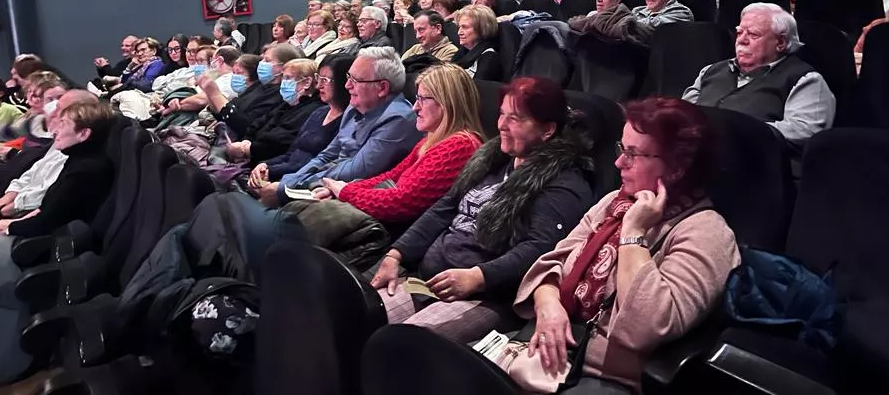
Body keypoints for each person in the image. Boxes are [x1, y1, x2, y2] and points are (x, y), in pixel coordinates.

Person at [515, 97, 740, 392]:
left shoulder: (707, 233)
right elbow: (552, 263)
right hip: (545, 346)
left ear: (676, 168)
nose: (619, 162)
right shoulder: (615, 201)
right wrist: (548, 307)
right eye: (622, 149)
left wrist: (633, 233)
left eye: (633, 154)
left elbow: (647, 326)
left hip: (602, 377)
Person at [369, 77, 594, 342]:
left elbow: (540, 248)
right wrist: (396, 255)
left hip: (487, 296)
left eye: (516, 119)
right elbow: (446, 206)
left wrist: (478, 277)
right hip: (428, 281)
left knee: (402, 342)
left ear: (547, 130)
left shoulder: (563, 183)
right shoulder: (493, 161)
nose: (501, 125)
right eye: (502, 114)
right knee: (361, 313)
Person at [317, 64, 484, 224]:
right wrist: (343, 188)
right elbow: (391, 176)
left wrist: (346, 192)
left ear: (448, 103)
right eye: (417, 98)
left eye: (423, 99)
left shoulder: (460, 146)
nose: (415, 108)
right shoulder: (431, 141)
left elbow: (402, 202)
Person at [683, 3, 835, 150]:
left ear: (780, 42)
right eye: (739, 32)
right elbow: (681, 115)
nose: (741, 40)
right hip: (697, 163)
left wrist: (731, 132)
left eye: (753, 34)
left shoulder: (805, 80)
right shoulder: (710, 71)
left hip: (757, 168)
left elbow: (804, 131)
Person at [275, 47, 421, 191]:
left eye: (356, 80)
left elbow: (354, 171)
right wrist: (290, 179)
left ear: (382, 88)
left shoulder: (398, 120)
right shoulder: (354, 107)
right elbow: (326, 155)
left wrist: (289, 186)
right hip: (326, 184)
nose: (347, 85)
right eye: (348, 77)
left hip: (356, 192)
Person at [0, 90, 97, 226]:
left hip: (18, 210)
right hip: (9, 195)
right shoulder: (45, 130)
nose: (54, 110)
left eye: (58, 104)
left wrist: (0, 213)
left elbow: (44, 202)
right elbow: (29, 172)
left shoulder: (75, 153)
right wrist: (0, 205)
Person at [248, 55, 354, 206]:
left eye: (325, 80)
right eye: (319, 78)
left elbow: (318, 164)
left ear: (343, 83)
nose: (318, 86)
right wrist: (265, 165)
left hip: (303, 186)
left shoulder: (348, 120)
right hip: (282, 176)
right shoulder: (319, 112)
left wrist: (273, 172)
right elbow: (292, 152)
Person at [225, 59, 324, 165]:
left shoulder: (313, 109)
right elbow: (258, 123)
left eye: (288, 78)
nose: (283, 83)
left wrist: (248, 149)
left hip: (269, 163)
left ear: (307, 82)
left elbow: (280, 140)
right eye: (283, 78)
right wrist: (246, 141)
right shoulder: (287, 104)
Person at [452, 6, 502, 81]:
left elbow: (477, 90)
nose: (459, 32)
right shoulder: (462, 52)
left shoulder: (489, 57)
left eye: (465, 27)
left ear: (482, 29)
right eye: (459, 27)